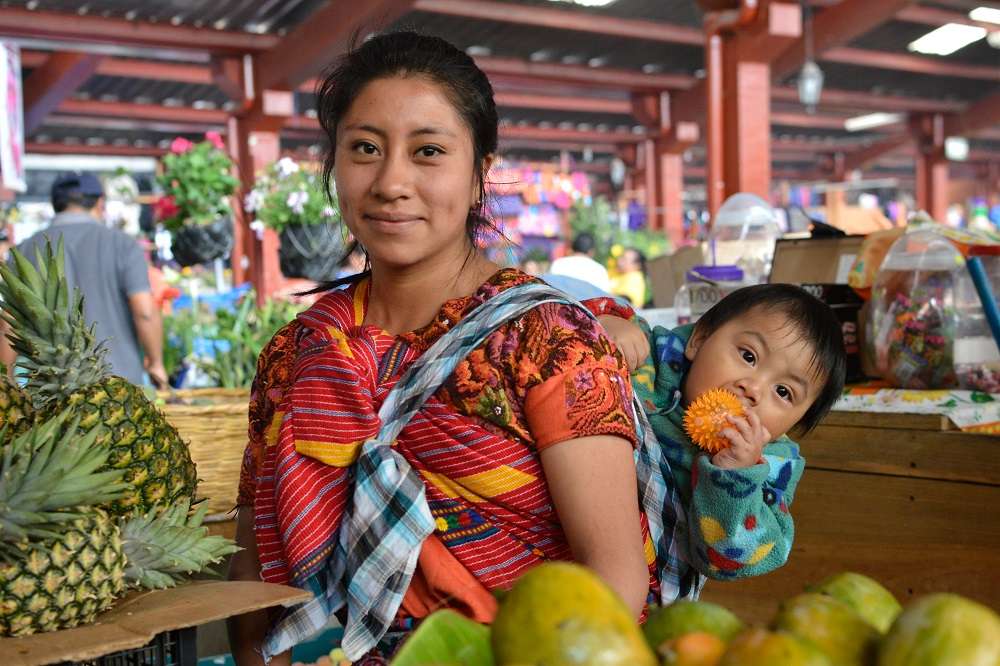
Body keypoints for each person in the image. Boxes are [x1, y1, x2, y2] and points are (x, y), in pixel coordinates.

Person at [228, 32, 655, 666]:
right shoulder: (299, 352)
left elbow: (614, 580)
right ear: (334, 166)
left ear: (481, 173)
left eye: (428, 151)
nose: (391, 181)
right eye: (365, 149)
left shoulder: (548, 341)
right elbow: (254, 577)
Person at [596, 283, 847, 587]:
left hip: (655, 593)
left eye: (783, 392)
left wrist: (735, 479)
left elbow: (726, 562)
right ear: (699, 340)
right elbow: (556, 320)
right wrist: (607, 324)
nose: (753, 389)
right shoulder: (655, 359)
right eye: (749, 356)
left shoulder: (769, 470)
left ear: (793, 426)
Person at [0, 172, 166, 387]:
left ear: (56, 205)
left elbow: (8, 323)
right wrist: (156, 363)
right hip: (119, 386)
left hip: (50, 391)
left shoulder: (24, 250)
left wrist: (7, 382)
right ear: (99, 202)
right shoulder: (122, 244)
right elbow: (144, 312)